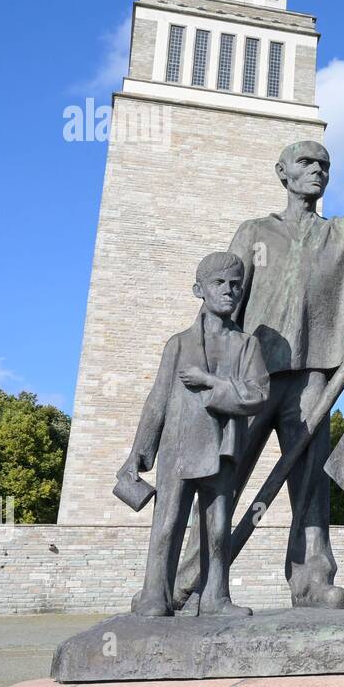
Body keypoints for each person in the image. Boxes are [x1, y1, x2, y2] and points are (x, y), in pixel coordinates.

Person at [176, 140, 344, 610]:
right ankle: (190, 580)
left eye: (325, 165)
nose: (317, 171)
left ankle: (313, 580)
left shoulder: (341, 234)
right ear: (283, 173)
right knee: (222, 477)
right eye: (306, 163)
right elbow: (223, 306)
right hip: (252, 376)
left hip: (314, 375)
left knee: (310, 484)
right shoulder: (254, 232)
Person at [121, 252, 270, 617]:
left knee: (218, 528)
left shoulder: (246, 345)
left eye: (236, 285)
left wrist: (211, 382)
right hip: (178, 446)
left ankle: (216, 597)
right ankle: (155, 594)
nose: (229, 291)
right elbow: (157, 401)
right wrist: (138, 455)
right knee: (167, 523)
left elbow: (258, 395)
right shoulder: (179, 343)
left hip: (222, 448)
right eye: (219, 283)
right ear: (198, 290)